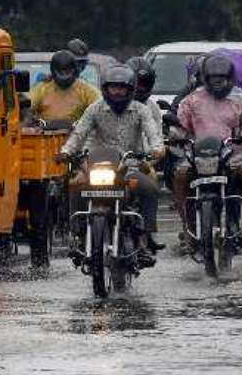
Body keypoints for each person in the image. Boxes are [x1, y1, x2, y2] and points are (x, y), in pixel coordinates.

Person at [60, 65, 164, 261]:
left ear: (130, 89)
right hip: (98, 165)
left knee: (149, 188)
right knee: (75, 184)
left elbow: (152, 133)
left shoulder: (141, 110)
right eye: (113, 87)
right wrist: (66, 151)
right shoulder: (95, 109)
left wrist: (157, 149)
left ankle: (144, 239)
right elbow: (79, 133)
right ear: (105, 89)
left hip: (129, 166)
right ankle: (78, 235)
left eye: (122, 88)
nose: (117, 92)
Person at [174, 53, 242, 245]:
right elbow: (180, 125)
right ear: (205, 78)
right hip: (199, 156)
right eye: (213, 79)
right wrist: (175, 134)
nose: (218, 83)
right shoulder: (192, 100)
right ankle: (187, 227)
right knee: (180, 175)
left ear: (230, 78)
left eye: (222, 78)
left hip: (233, 155)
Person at [29, 50, 101, 123]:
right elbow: (26, 107)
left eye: (67, 72)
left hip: (78, 129)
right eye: (61, 73)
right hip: (44, 129)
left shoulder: (86, 90)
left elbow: (100, 108)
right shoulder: (42, 88)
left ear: (74, 71)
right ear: (53, 71)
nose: (64, 77)